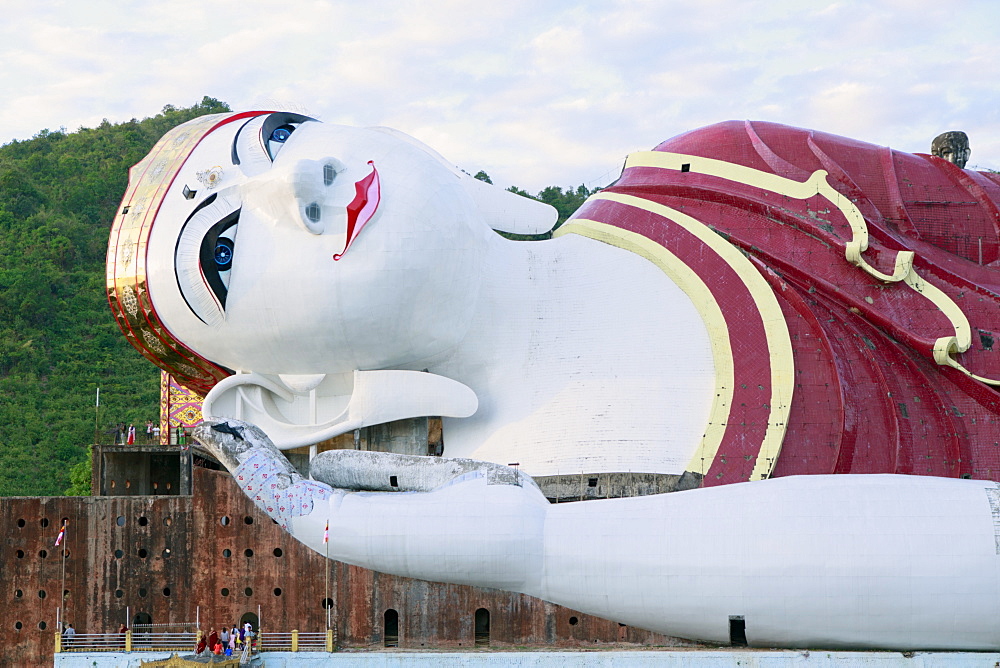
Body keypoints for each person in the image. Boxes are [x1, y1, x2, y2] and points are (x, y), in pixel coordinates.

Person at [118, 111, 1000, 650]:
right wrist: (533, 552)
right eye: (225, 250)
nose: (297, 181)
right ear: (286, 396)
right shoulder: (546, 508)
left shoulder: (717, 170)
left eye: (275, 137)